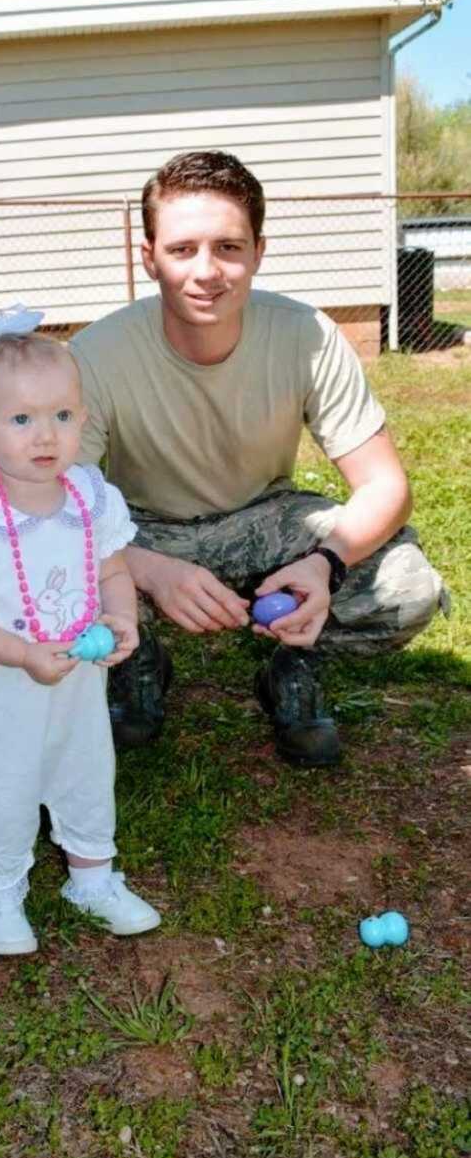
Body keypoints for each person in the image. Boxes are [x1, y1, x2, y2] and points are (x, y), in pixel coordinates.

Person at [71, 151, 448, 767]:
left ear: (258, 252)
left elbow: (385, 485)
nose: (206, 272)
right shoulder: (94, 353)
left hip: (263, 518)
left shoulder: (309, 335)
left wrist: (326, 564)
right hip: (137, 527)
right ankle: (135, 661)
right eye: (182, 249)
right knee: (46, 574)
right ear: (148, 258)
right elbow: (58, 507)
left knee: (409, 589)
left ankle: (293, 666)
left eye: (228, 247)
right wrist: (145, 569)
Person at [0, 308, 160, 955]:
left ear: (84, 418)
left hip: (77, 688)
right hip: (5, 690)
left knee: (87, 772)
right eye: (21, 419)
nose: (45, 434)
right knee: (5, 790)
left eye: (62, 414)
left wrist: (121, 617)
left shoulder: (91, 498)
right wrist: (23, 652)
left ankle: (92, 878)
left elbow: (112, 570)